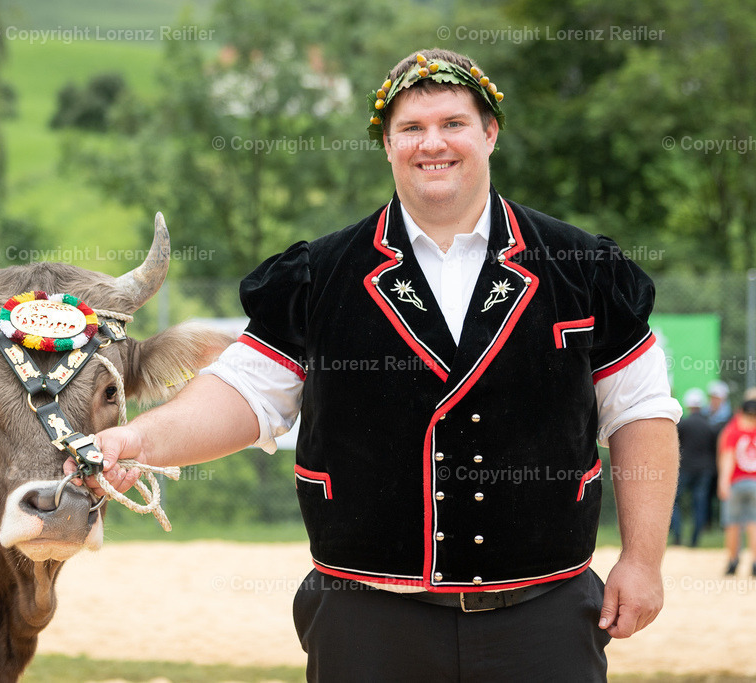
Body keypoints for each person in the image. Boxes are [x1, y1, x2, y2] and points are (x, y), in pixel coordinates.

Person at [69, 48, 682, 680]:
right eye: (411, 129)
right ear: (386, 145)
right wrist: (136, 439)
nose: (432, 144)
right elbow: (244, 394)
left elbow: (640, 415)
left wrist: (642, 560)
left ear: (490, 133)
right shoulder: (320, 273)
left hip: (544, 616)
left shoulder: (580, 267)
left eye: (453, 124)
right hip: (366, 623)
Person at [670, 388, 719, 546]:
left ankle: (677, 536)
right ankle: (695, 540)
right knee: (700, 503)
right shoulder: (710, 426)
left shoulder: (683, 425)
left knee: (673, 501)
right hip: (705, 470)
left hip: (685, 468)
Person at [717, 393, 756, 575]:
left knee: (733, 524)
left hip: (736, 482)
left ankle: (733, 562)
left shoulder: (733, 431)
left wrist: (723, 482)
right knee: (753, 523)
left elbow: (728, 459)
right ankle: (754, 563)